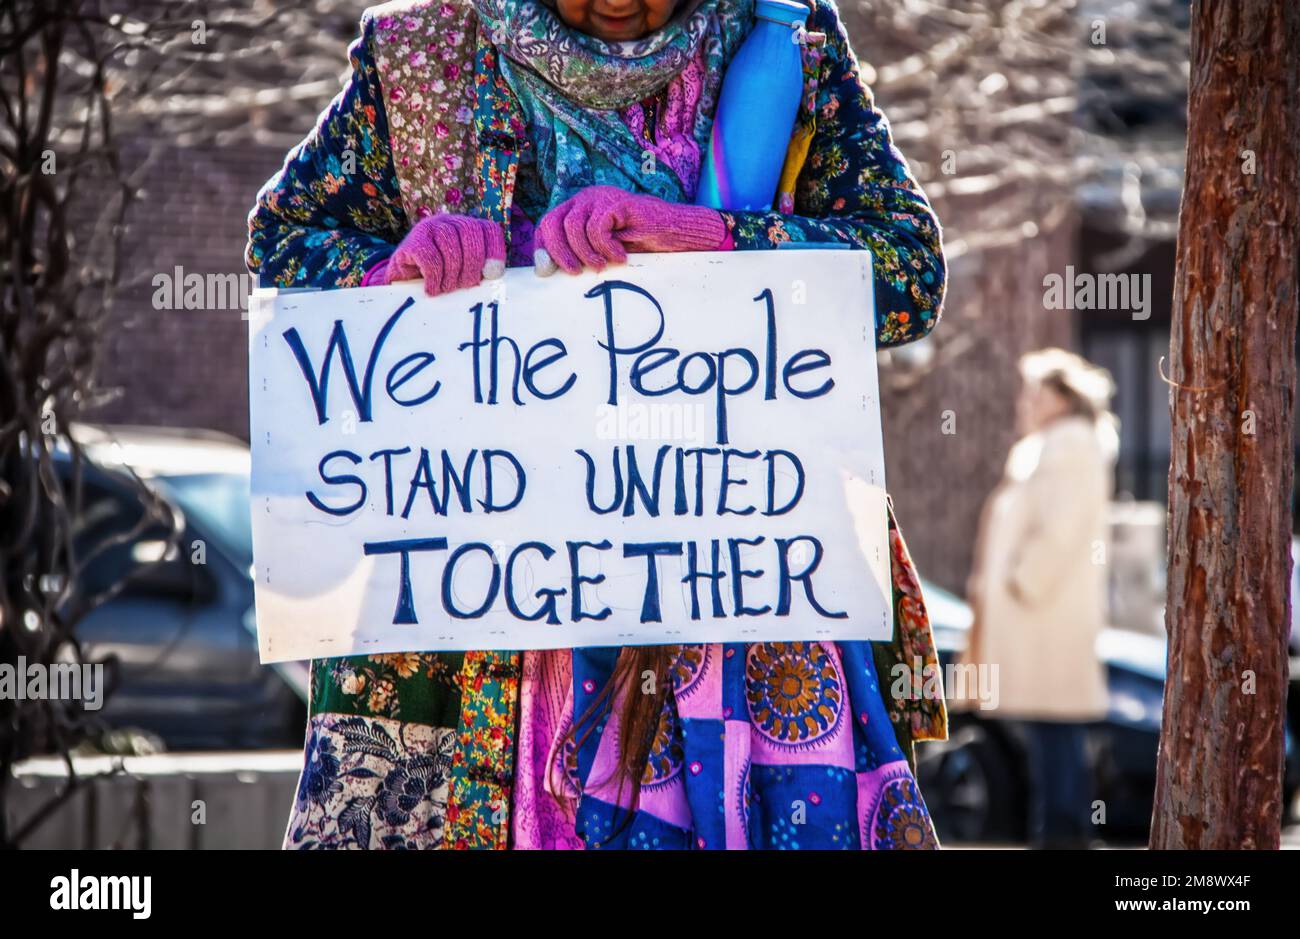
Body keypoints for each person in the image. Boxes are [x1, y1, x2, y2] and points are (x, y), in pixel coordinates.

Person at [247, 0, 948, 849]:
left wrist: (717, 239)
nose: (620, 3)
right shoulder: (423, 51)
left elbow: (906, 273)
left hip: (732, 591)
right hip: (473, 603)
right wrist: (396, 266)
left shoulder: (781, 35)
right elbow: (283, 245)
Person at [962, 348, 1118, 849]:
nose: (1025, 402)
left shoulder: (1070, 445)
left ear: (1061, 397)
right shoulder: (1048, 444)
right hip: (1038, 616)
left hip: (1046, 614)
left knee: (1057, 728)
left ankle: (1063, 835)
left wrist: (1021, 582)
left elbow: (1061, 529)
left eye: (1035, 391)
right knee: (1049, 730)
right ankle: (1058, 831)